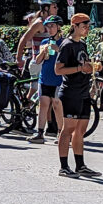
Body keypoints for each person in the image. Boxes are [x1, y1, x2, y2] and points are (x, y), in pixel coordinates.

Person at [53, 14, 100, 178]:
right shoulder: (67, 45)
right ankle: (64, 166)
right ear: (75, 26)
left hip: (83, 92)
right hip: (71, 92)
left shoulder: (82, 44)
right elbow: (58, 70)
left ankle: (80, 165)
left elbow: (83, 65)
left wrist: (91, 67)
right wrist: (80, 69)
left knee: (80, 130)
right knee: (68, 129)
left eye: (88, 26)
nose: (87, 29)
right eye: (84, 26)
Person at [28, 16, 65, 144]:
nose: (49, 29)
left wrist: (58, 50)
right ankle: (39, 133)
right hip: (45, 78)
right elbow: (38, 61)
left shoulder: (64, 42)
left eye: (52, 26)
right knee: (43, 104)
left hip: (58, 79)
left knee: (56, 105)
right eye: (47, 26)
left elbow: (67, 59)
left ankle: (61, 133)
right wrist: (42, 52)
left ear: (58, 27)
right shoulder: (45, 42)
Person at [15, 0, 59, 78]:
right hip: (39, 64)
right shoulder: (39, 23)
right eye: (54, 7)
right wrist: (18, 58)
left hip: (48, 62)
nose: (57, 9)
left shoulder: (52, 23)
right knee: (36, 89)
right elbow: (24, 39)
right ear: (46, 8)